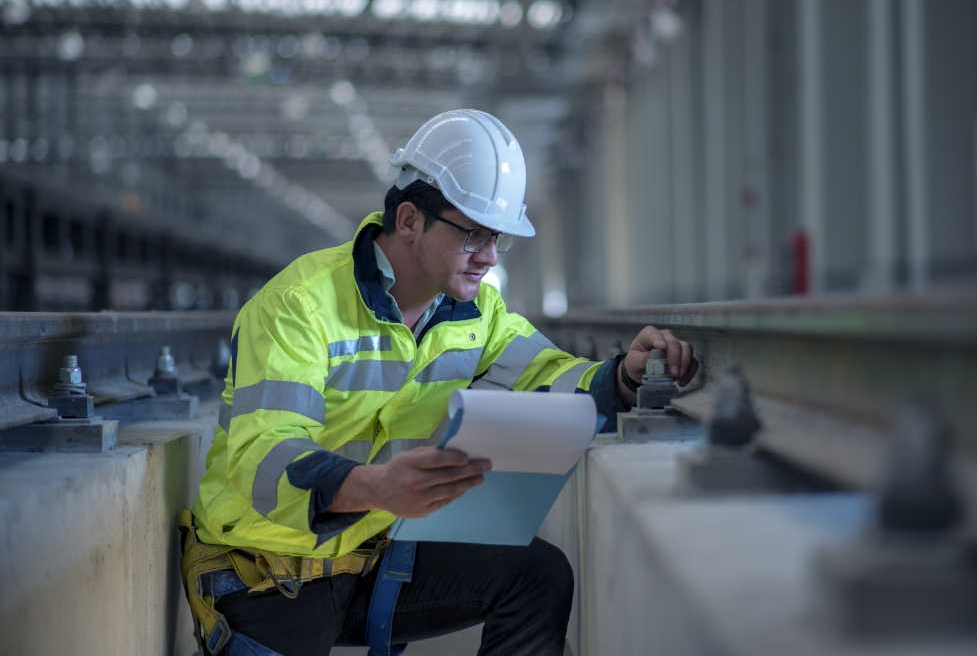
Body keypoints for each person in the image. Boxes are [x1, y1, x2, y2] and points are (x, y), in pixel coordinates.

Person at [179, 109, 698, 656]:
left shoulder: (476, 315)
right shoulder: (298, 306)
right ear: (408, 220)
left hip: (373, 559)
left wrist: (622, 375)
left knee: (537, 577)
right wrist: (376, 486)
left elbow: (554, 378)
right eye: (473, 234)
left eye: (496, 237)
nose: (490, 256)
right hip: (265, 575)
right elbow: (265, 458)